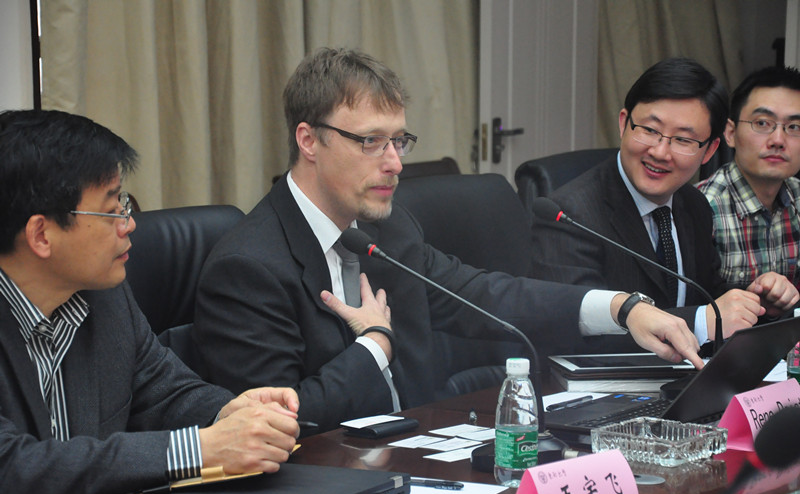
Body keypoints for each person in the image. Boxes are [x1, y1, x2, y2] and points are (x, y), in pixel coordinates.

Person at [193, 47, 702, 433]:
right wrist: (374, 346)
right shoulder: (248, 267)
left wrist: (620, 307)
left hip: (422, 456)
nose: (395, 163)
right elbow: (275, 428)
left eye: (399, 141)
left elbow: (482, 294)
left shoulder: (388, 227)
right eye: (371, 141)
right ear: (309, 140)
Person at [0, 109, 300, 494]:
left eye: (124, 203)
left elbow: (164, 392)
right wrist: (199, 450)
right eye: (112, 209)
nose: (129, 224)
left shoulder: (105, 298)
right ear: (41, 235)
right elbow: (12, 470)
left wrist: (230, 414)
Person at [529, 57, 799, 353]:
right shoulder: (569, 214)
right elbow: (576, 333)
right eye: (649, 130)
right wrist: (699, 321)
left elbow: (707, 298)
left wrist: (757, 305)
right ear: (624, 123)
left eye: (683, 139)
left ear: (710, 150)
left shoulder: (694, 204)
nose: (660, 152)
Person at [697, 66, 800, 297]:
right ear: (730, 133)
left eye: (794, 127)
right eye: (762, 123)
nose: (778, 140)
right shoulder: (701, 209)